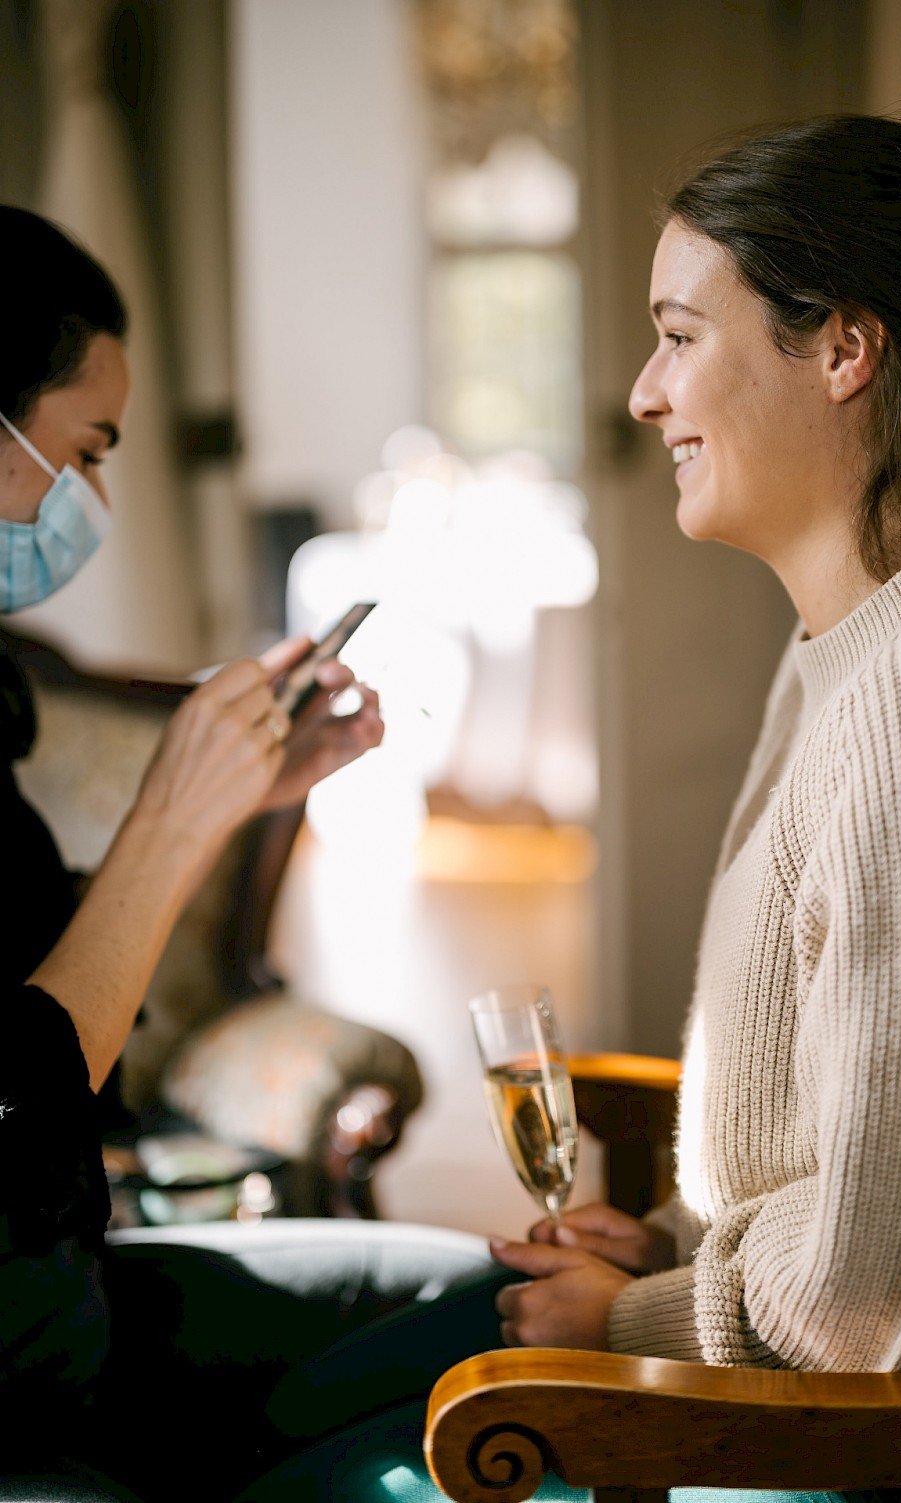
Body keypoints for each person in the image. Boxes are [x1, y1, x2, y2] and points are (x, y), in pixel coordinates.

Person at [483, 112, 901, 1501]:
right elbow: (840, 1151)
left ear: (844, 346)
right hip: (760, 1374)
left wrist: (638, 1324)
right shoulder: (850, 642)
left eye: (679, 334)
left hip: (821, 1445)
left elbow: (899, 1271)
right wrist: (661, 1243)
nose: (647, 395)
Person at [0, 205, 519, 1502]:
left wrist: (229, 801)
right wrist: (175, 814)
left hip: (65, 1292)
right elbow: (18, 1098)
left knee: (501, 1300)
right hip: (20, 1364)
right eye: (83, 453)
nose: (93, 503)